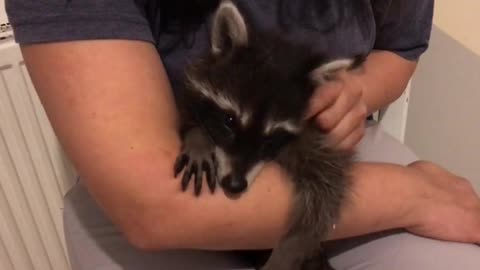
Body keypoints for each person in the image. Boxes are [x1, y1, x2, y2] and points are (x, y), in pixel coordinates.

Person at [6, 0, 480, 269]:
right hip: (163, 184)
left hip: (321, 149)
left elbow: (399, 51)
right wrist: (414, 194)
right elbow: (154, 204)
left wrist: (358, 87)